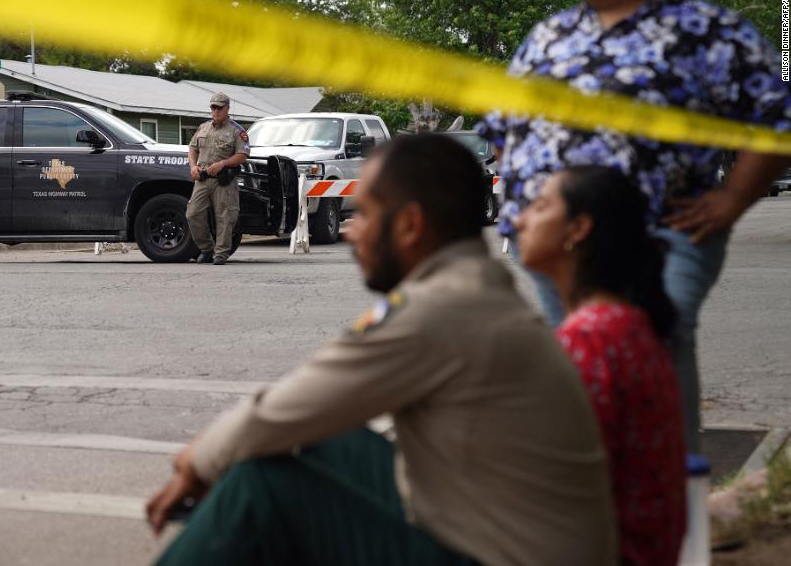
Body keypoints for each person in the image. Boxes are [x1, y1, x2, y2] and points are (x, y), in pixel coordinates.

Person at [146, 134, 616, 566]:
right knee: (320, 435)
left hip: (502, 557)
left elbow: (288, 407)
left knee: (261, 485)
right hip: (511, 531)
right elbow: (300, 407)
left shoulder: (442, 308)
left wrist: (198, 460)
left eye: (365, 213)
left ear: (410, 224)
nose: (352, 232)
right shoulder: (471, 287)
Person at [478, 0, 791, 451]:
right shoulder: (552, 34)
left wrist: (732, 198)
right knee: (583, 377)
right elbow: (498, 128)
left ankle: (671, 500)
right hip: (556, 249)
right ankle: (604, 505)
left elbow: (776, 119)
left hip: (658, 240)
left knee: (650, 356)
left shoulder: (704, 31)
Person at [515, 166, 686, 566]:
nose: (520, 218)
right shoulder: (626, 323)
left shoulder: (591, 338)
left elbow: (554, 482)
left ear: (577, 229)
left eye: (539, 207)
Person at [186, 92, 250, 265]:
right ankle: (207, 248)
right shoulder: (203, 128)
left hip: (224, 180)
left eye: (219, 108)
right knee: (193, 214)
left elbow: (242, 154)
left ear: (227, 108)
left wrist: (223, 163)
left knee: (225, 216)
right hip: (203, 178)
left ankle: (221, 253)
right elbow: (192, 149)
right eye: (213, 107)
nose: (215, 111)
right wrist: (193, 166)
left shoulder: (237, 131)